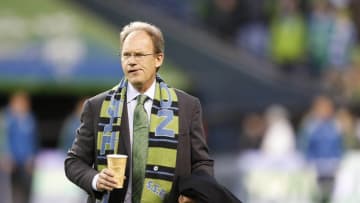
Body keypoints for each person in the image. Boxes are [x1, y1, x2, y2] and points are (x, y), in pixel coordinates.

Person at [64, 21, 214, 203]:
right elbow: (73, 162)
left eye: (139, 55)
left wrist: (195, 193)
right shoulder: (96, 106)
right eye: (126, 55)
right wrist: (96, 179)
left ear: (158, 59)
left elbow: (201, 163)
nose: (132, 61)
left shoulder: (187, 106)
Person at [2, 91, 38, 203]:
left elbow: (34, 139)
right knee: (11, 189)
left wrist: (32, 156)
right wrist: (5, 154)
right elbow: (4, 138)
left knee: (27, 188)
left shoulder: (30, 118)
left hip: (26, 160)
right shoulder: (7, 118)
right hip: (12, 160)